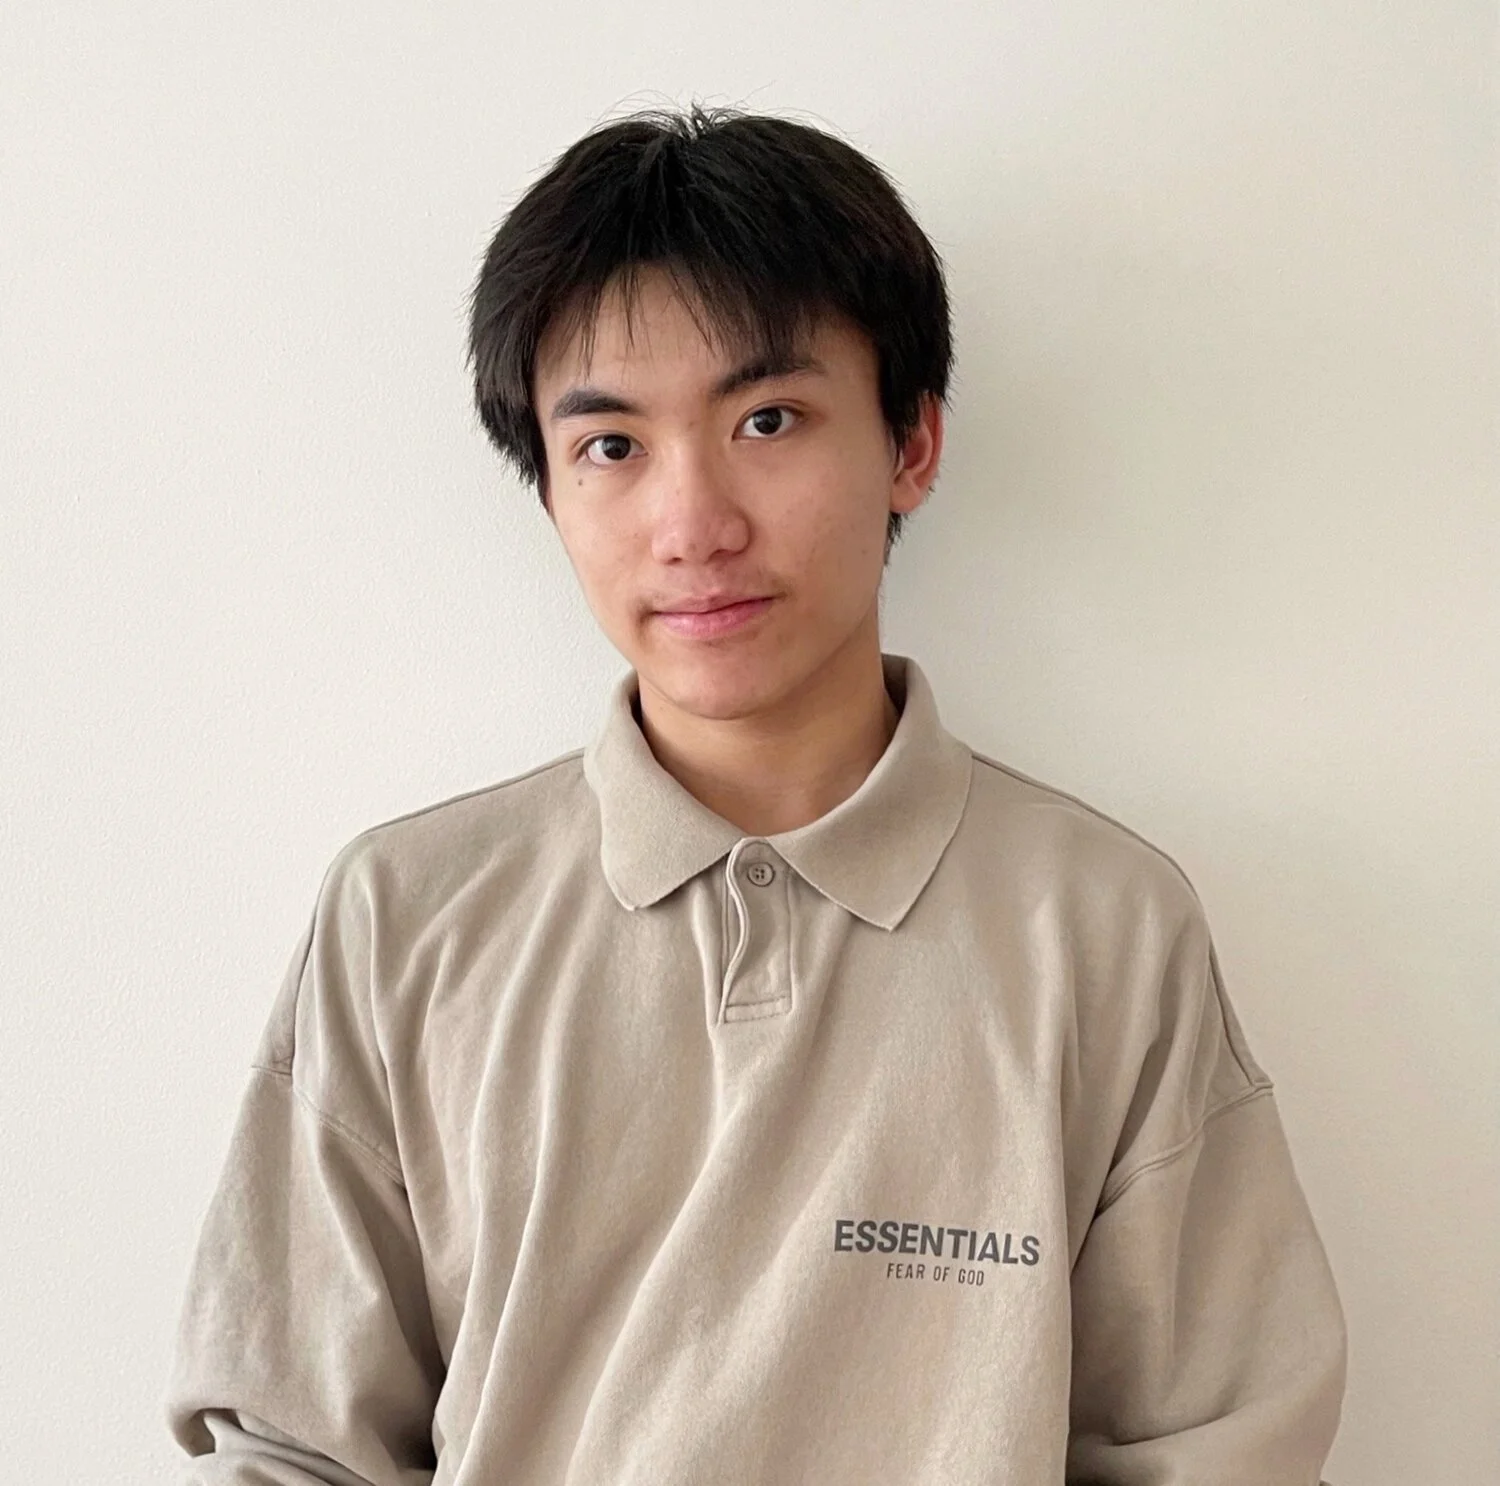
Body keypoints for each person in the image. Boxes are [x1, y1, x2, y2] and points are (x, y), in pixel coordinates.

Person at [164, 103, 1347, 1483]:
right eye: (611, 445)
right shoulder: (405, 914)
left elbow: (1222, 1447)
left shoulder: (1101, 927)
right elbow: (292, 1442)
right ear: (546, 484)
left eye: (768, 418)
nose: (694, 523)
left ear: (911, 442)